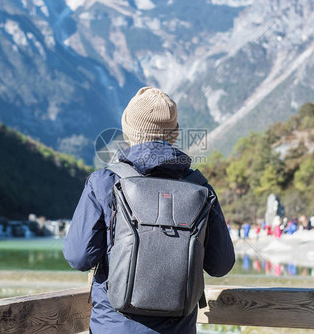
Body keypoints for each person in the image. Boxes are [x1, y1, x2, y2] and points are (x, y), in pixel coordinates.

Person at [63, 87, 235, 333]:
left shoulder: (104, 181)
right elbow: (221, 265)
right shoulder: (199, 187)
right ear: (174, 134)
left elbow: (79, 257)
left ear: (128, 131)